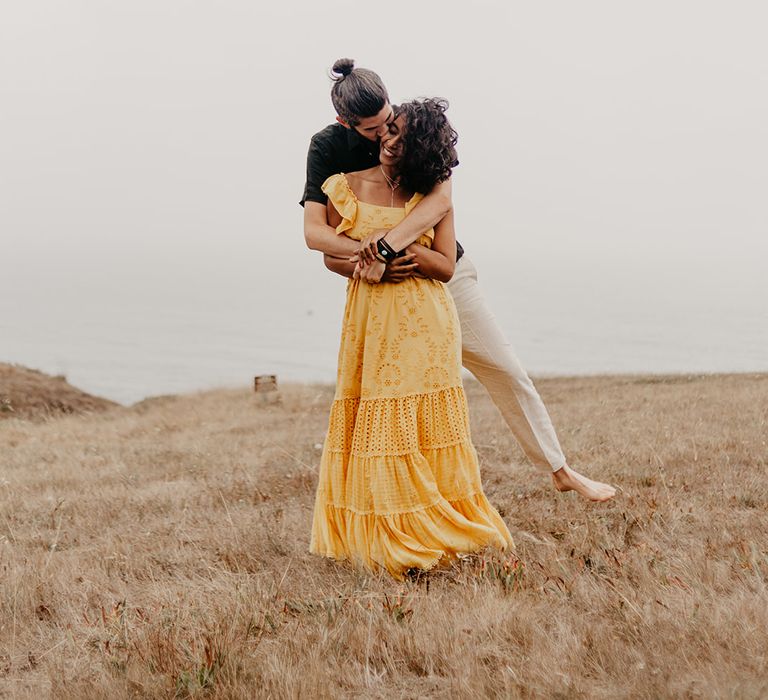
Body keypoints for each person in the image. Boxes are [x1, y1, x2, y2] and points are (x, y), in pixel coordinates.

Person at [302, 58, 616, 502]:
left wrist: (385, 248)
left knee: (504, 368)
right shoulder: (328, 149)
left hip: (442, 276)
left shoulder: (415, 129)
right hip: (380, 286)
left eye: (389, 121)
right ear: (345, 122)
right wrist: (368, 260)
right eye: (373, 130)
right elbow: (317, 235)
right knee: (391, 403)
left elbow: (439, 203)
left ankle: (560, 469)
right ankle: (397, 501)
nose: (385, 136)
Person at [310, 98, 513, 578]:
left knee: (417, 427)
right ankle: (384, 532)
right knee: (377, 425)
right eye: (388, 131)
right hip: (370, 320)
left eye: (400, 137)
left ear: (419, 149)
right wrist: (370, 266)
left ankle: (430, 527)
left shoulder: (431, 198)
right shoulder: (346, 187)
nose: (388, 141)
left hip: (425, 324)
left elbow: (444, 266)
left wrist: (405, 258)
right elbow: (329, 257)